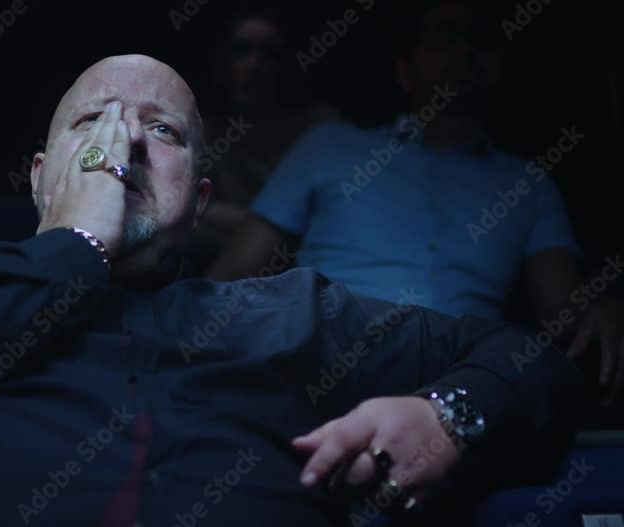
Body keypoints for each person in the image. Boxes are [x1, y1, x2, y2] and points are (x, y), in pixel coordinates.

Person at [0, 55, 581, 526]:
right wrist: (76, 243)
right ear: (38, 177)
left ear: (200, 201)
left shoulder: (289, 314)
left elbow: (529, 358)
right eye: (92, 122)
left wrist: (447, 415)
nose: (126, 142)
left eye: (162, 130)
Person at [206, 0, 624, 409]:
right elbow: (234, 271)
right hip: (328, 351)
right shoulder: (329, 146)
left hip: (462, 372)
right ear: (405, 70)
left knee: (534, 365)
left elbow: (563, 311)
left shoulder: (529, 183)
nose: (464, 51)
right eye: (445, 38)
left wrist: (604, 305)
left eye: (480, 40)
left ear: (505, 71)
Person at [187, 8, 340, 273]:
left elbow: (332, 217)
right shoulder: (210, 132)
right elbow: (192, 208)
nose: (254, 65)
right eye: (241, 51)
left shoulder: (319, 127)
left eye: (268, 54)